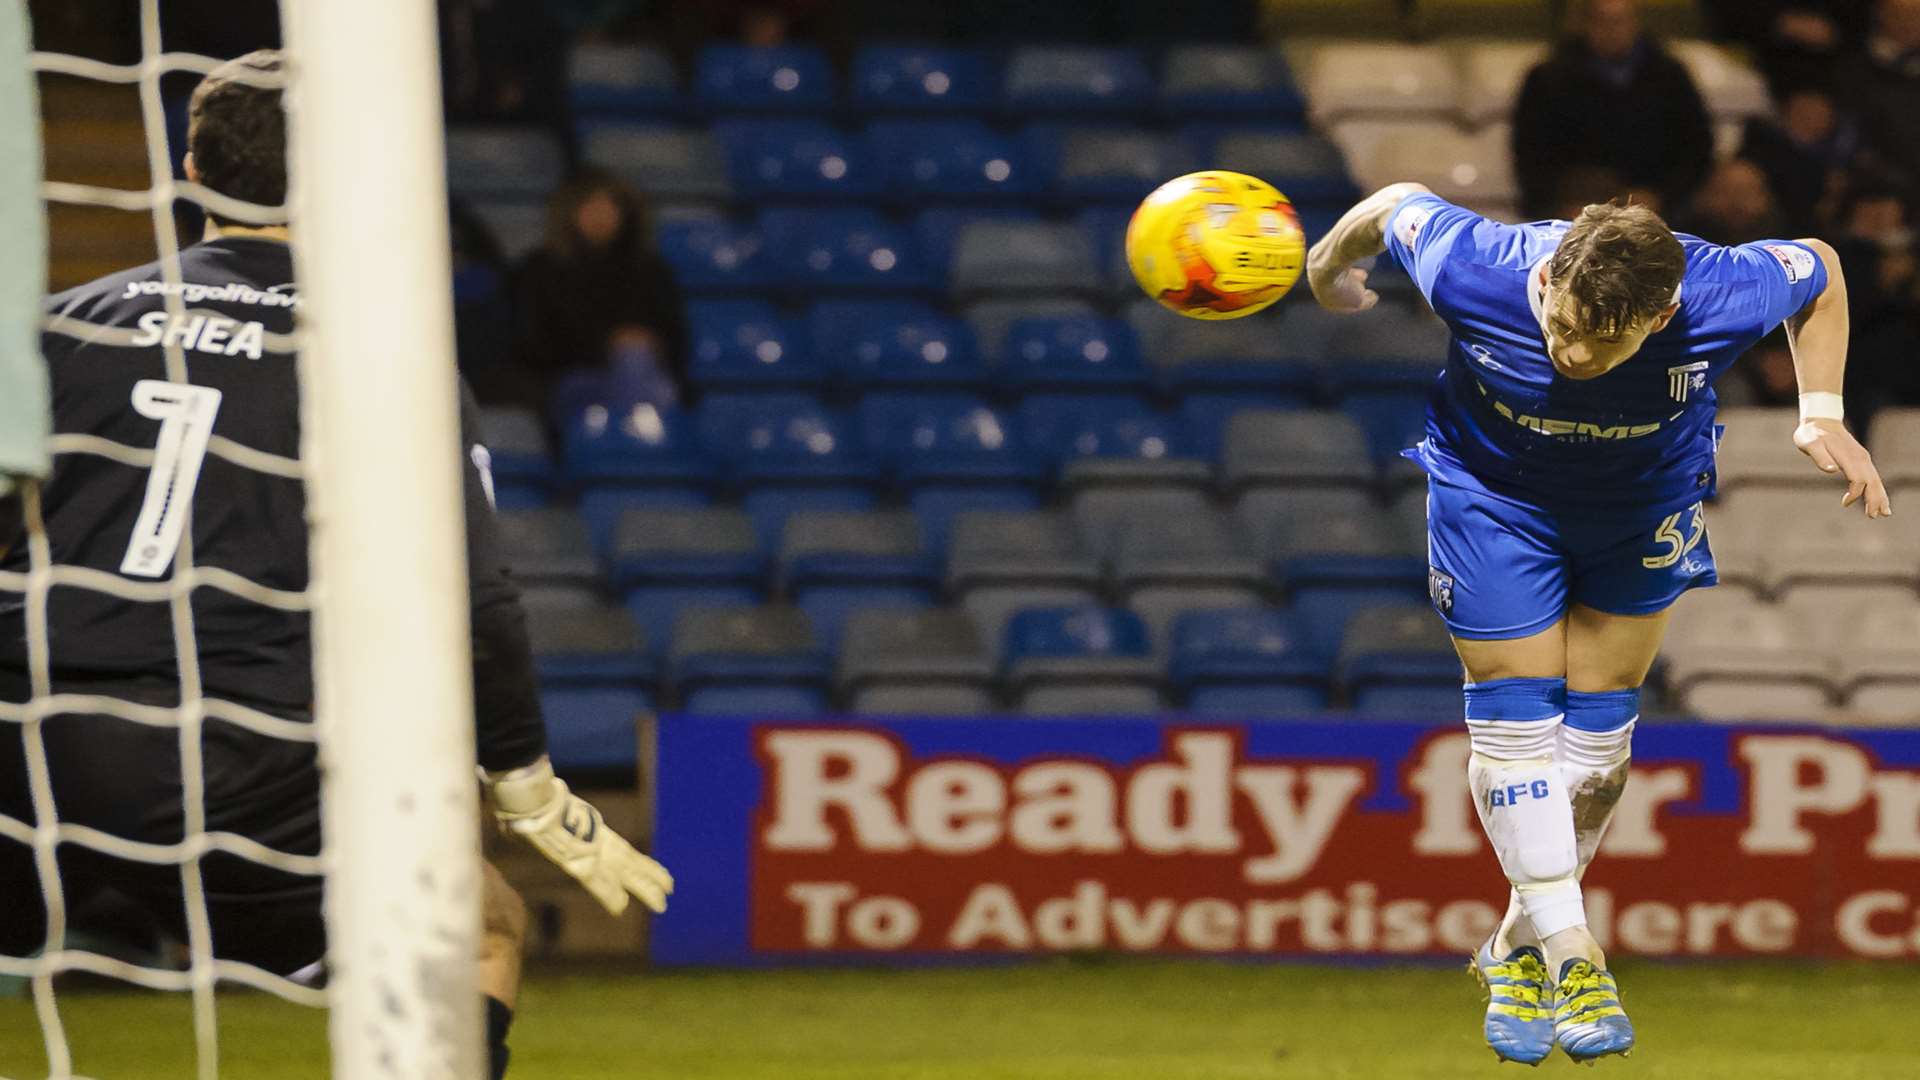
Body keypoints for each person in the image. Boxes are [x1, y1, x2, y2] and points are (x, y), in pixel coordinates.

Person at [0, 51, 672, 1080]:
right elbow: (475, 596)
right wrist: (525, 786)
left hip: (31, 735)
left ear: (187, 163)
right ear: (357, 174)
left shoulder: (61, 322)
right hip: (238, 759)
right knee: (479, 923)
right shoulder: (377, 352)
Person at [1305, 179, 1887, 1064]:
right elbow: (1393, 204)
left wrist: (1821, 414)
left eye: (1598, 338)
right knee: (1515, 712)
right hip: (1493, 500)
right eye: (1561, 320)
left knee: (1600, 744)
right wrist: (1328, 263)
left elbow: (1824, 269)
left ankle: (1514, 949)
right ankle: (1576, 953)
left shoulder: (1723, 291)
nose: (1569, 349)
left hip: (1642, 505)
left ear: (1661, 320)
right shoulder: (1479, 268)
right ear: (1547, 281)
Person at [1512, 0, 1715, 220]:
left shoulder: (1669, 76)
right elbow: (1531, 152)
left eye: (1619, 21)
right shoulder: (1548, 79)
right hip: (1575, 204)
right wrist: (1563, 203)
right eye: (1602, 21)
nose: (1612, 31)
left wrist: (1662, 196)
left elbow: (1695, 146)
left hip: (1657, 204)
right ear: (1585, 24)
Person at [512, 167, 687, 414]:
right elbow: (534, 345)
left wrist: (649, 344)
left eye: (610, 206)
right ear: (568, 212)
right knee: (643, 375)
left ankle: (638, 439)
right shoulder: (540, 270)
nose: (601, 215)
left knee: (645, 372)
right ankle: (646, 442)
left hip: (645, 376)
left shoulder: (651, 270)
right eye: (590, 205)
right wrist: (608, 346)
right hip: (570, 383)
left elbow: (677, 340)